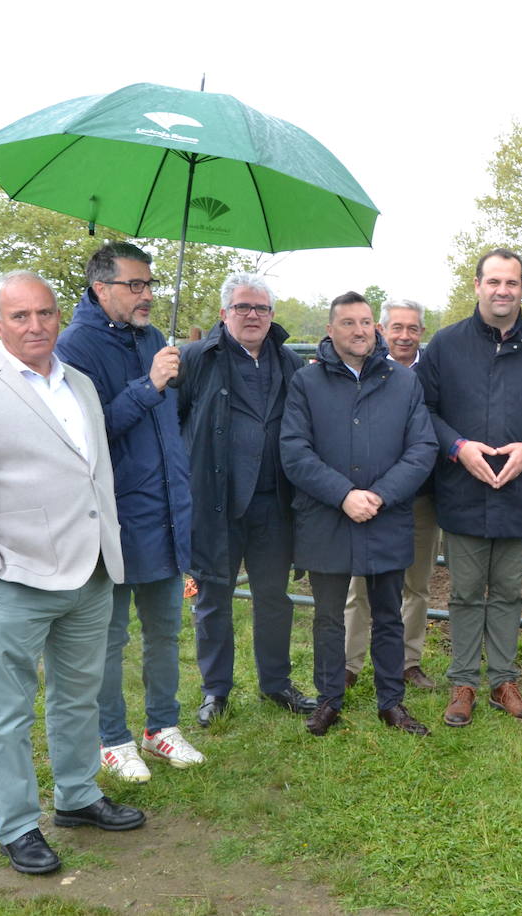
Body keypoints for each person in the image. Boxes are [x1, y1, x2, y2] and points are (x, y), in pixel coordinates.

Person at [0, 271, 144, 875]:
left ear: (60, 316)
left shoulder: (79, 383)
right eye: (19, 316)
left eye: (45, 313)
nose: (35, 326)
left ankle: (77, 796)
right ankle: (18, 823)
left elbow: (92, 472)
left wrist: (108, 552)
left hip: (91, 572)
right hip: (15, 579)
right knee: (9, 711)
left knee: (79, 697)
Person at [415, 248, 522, 727]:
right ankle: (463, 681)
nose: (503, 290)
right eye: (494, 282)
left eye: (512, 283)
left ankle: (503, 681)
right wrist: (457, 447)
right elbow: (423, 410)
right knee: (466, 591)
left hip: (520, 490)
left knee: (510, 590)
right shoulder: (445, 346)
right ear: (477, 285)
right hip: (462, 489)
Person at [56, 241, 204, 782]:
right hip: (114, 517)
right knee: (110, 636)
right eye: (134, 285)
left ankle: (162, 727)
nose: (146, 295)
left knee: (165, 630)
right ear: (102, 288)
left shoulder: (155, 339)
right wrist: (151, 384)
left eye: (149, 285)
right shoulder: (75, 348)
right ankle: (111, 737)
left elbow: (168, 425)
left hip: (166, 509)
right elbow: (91, 432)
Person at [281, 292, 437, 737]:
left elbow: (422, 447)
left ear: (377, 328)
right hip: (326, 517)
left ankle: (392, 703)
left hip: (386, 517)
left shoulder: (404, 382)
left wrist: (381, 496)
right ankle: (329, 699)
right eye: (348, 322)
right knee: (329, 616)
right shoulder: (306, 383)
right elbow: (294, 451)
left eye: (366, 321)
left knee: (388, 613)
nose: (359, 330)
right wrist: (344, 494)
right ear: (330, 330)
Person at [178, 272, 312, 728]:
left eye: (261, 309)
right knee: (212, 598)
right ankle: (216, 689)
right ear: (224, 314)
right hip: (214, 504)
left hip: (274, 504)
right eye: (242, 307)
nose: (252, 315)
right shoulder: (195, 360)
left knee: (273, 598)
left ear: (272, 316)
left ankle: (276, 684)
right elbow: (175, 427)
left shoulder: (291, 363)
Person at [343, 299, 440, 690]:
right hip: (368, 496)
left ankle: (407, 661)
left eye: (413, 328)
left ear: (421, 333)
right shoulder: (361, 370)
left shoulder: (434, 375)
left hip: (421, 495)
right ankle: (348, 664)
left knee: (417, 582)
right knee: (359, 583)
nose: (405, 335)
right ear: (382, 329)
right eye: (397, 327)